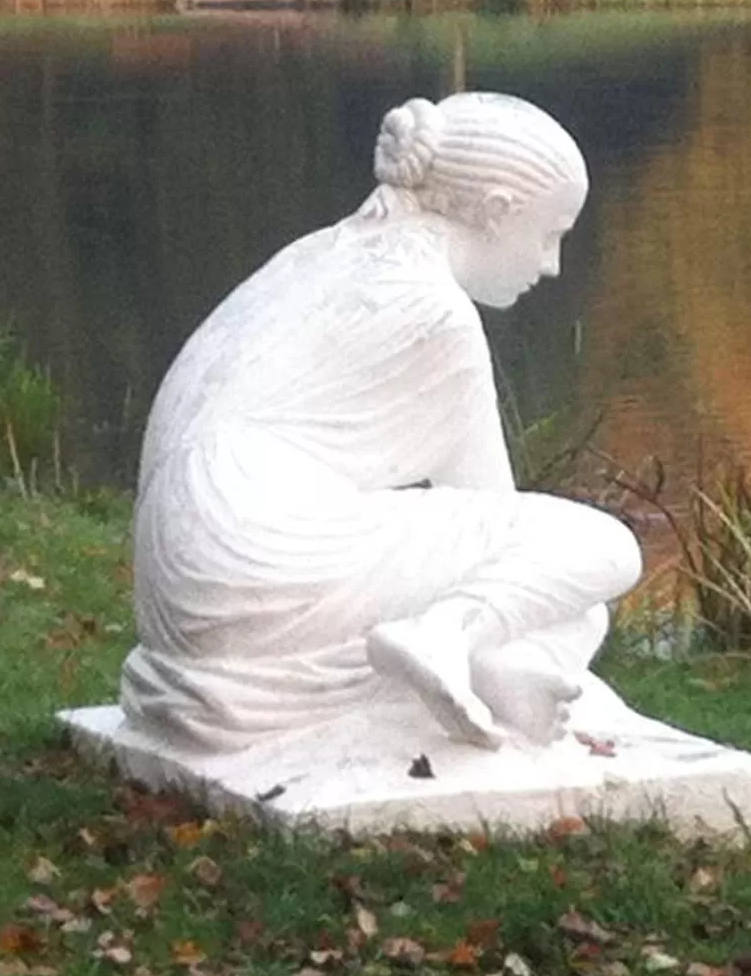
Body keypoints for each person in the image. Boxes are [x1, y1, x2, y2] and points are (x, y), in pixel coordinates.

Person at [120, 92, 641, 753]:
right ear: (496, 210)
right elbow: (498, 507)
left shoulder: (319, 254)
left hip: (178, 577)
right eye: (549, 235)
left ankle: (484, 663)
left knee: (556, 595)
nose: (551, 265)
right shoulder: (436, 312)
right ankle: (446, 634)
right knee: (601, 550)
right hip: (253, 563)